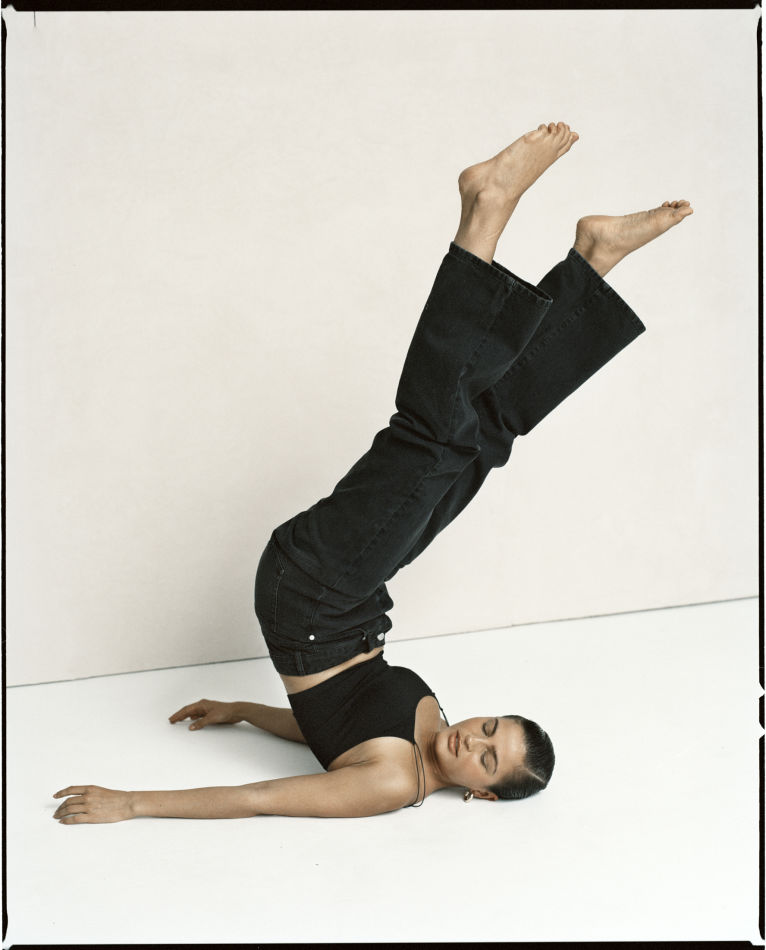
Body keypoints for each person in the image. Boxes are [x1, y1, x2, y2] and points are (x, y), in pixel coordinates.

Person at [52, 122, 693, 823]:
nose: (472, 740)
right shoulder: (429, 737)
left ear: (480, 793)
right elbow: (329, 724)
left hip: (311, 598)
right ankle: (590, 265)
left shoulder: (391, 784)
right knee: (484, 436)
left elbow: (260, 797)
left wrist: (131, 802)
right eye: (489, 729)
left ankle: (484, 209)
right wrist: (245, 711)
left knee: (431, 438)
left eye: (486, 760)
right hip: (352, 598)